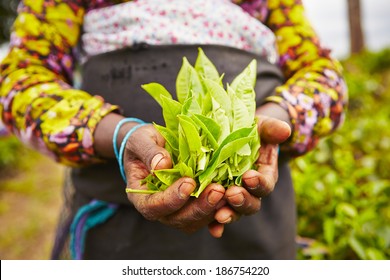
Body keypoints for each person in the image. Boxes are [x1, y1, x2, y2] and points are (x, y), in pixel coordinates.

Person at [0, 0, 347, 260]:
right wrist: (118, 133)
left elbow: (324, 77)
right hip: (114, 219)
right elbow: (19, 80)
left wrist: (274, 118)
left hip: (255, 216)